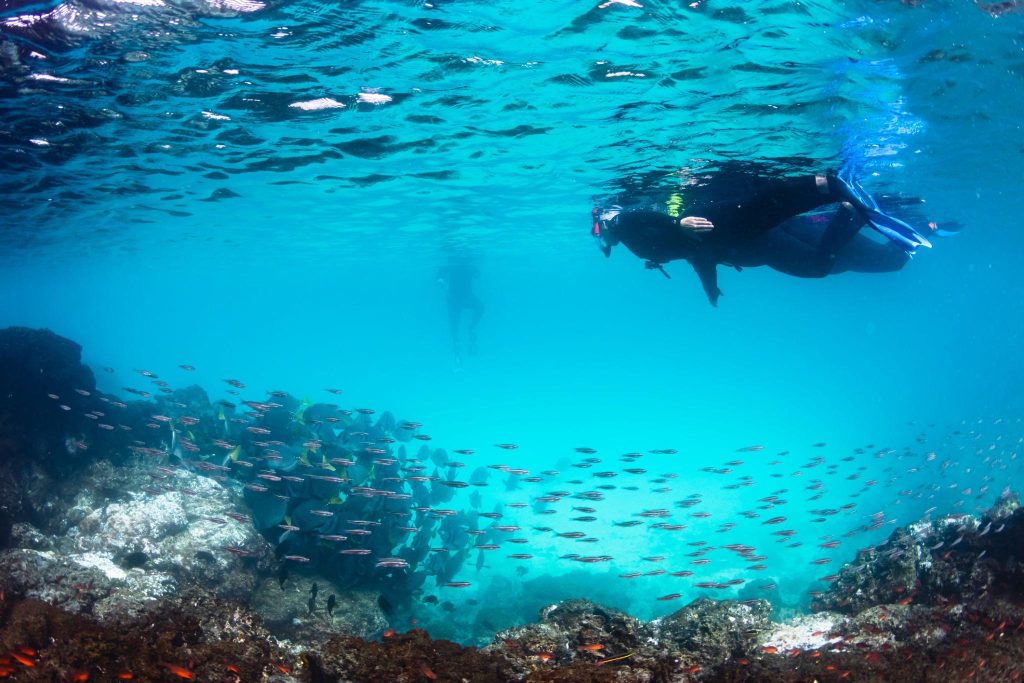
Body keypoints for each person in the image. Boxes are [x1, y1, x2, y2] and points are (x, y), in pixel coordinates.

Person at [592, 169, 931, 306]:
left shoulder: (624, 227)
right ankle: (895, 217)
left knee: (819, 266)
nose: (603, 242)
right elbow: (697, 256)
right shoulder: (634, 239)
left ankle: (843, 210)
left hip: (756, 244)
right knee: (881, 262)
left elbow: (635, 216)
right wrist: (708, 285)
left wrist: (677, 223)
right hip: (755, 243)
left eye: (598, 234)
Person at [437, 256, 484, 364]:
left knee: (480, 307)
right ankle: (456, 346)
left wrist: (471, 267)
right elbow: (439, 274)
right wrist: (441, 281)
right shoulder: (452, 263)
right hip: (454, 299)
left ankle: (471, 328)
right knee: (454, 325)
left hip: (464, 297)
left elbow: (477, 275)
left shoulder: (464, 264)